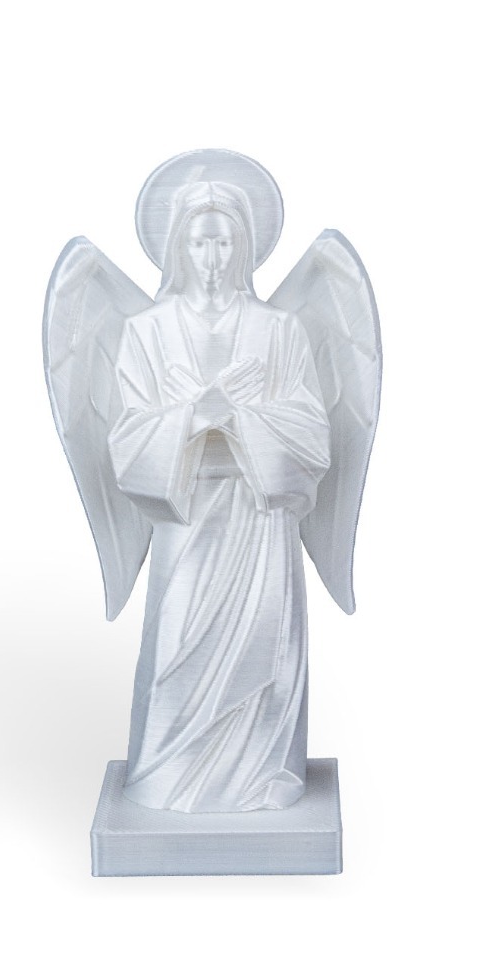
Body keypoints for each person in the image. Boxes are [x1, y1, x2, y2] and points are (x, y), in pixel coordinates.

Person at [107, 181, 331, 812]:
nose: (213, 259)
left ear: (246, 247)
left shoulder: (278, 330)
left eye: (226, 243)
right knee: (176, 646)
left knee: (261, 649)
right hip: (185, 518)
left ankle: (259, 773)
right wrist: (194, 415)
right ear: (178, 247)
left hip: (259, 519)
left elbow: (313, 434)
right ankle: (170, 775)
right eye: (200, 243)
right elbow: (127, 438)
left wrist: (238, 418)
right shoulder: (146, 333)